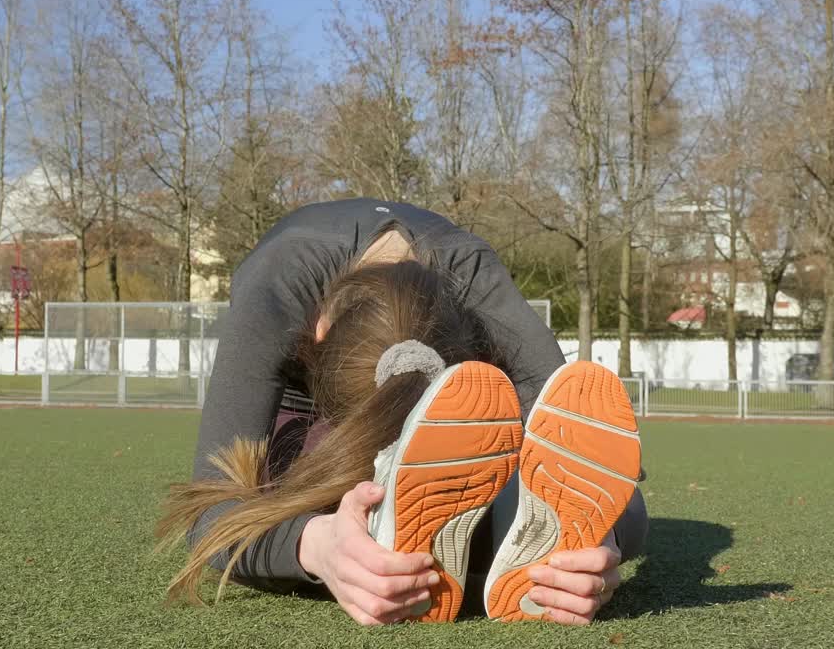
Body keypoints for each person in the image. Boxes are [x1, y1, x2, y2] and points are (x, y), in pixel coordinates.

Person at [158, 198, 646, 625]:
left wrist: (596, 547)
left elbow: (599, 464)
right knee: (276, 473)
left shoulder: (475, 279)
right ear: (318, 332)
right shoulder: (277, 287)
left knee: (582, 476)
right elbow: (211, 512)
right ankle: (380, 503)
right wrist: (318, 546)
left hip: (463, 398)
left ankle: (463, 500)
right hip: (304, 403)